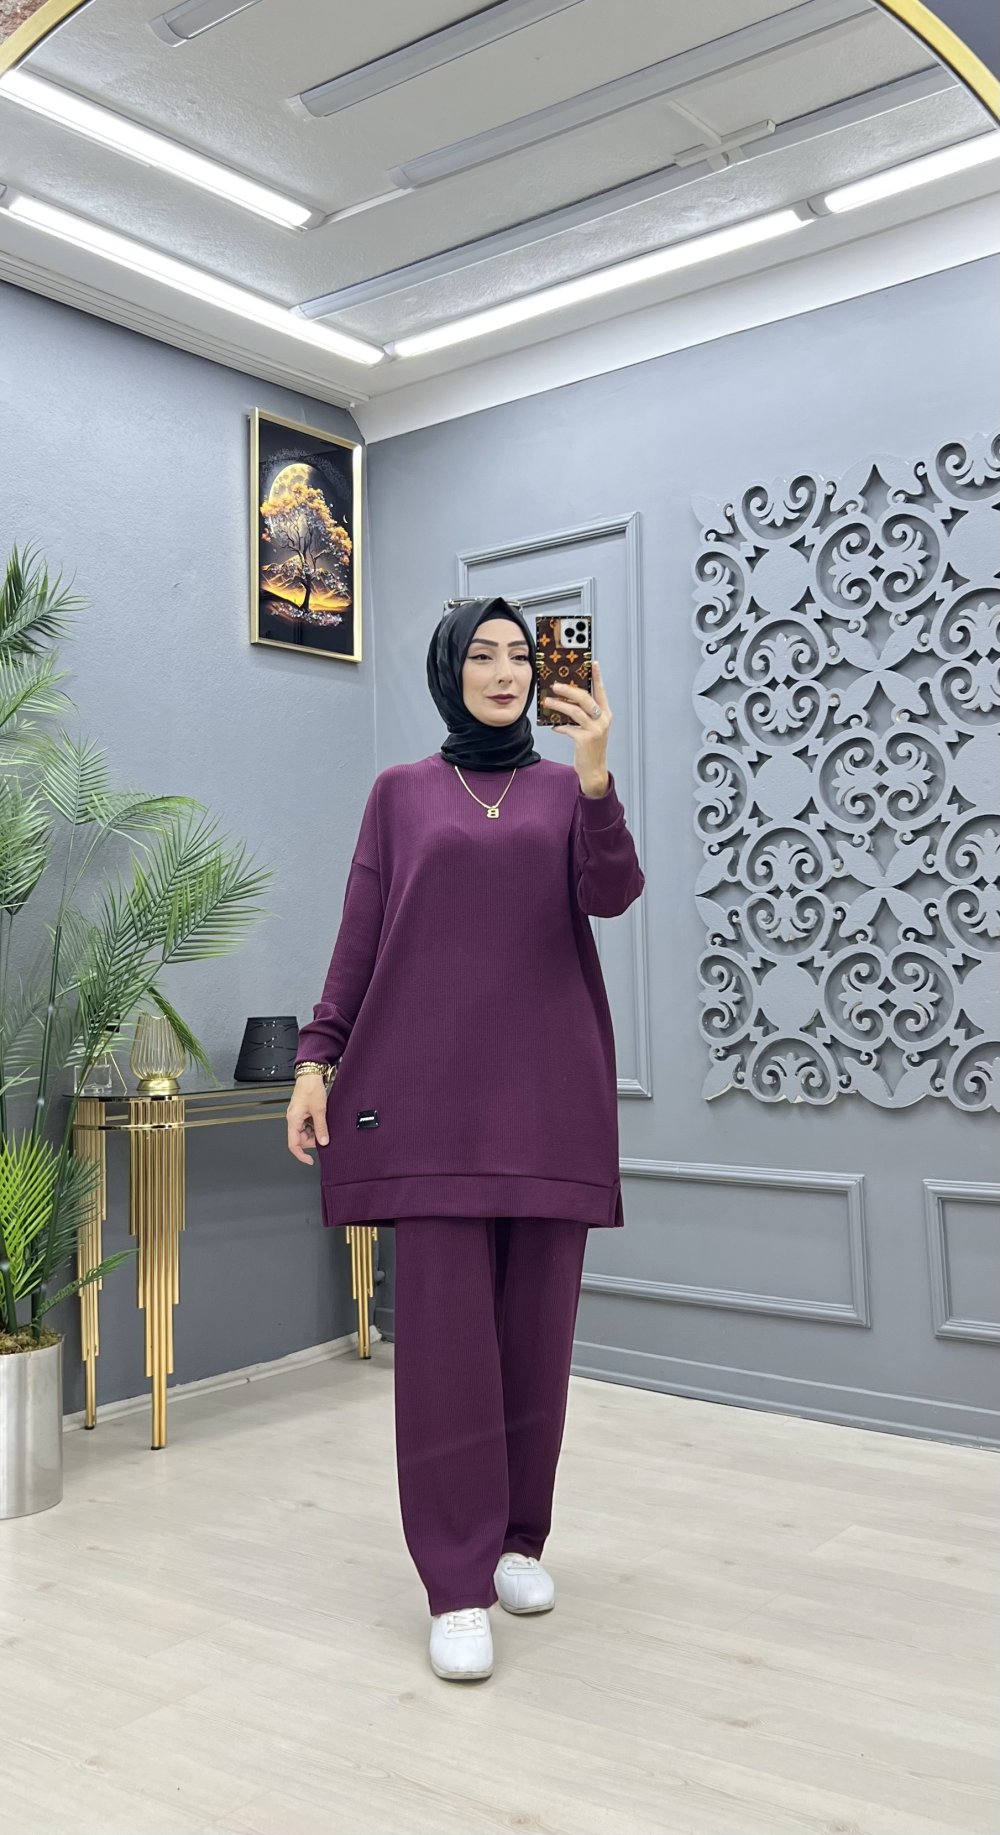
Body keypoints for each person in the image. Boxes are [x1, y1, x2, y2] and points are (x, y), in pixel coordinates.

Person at [286, 595, 645, 1681]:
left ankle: (518, 1540)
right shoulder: (400, 794)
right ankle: (454, 1579)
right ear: (449, 670)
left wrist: (595, 774)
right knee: (444, 1354)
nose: (503, 671)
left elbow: (612, 894)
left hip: (549, 1096)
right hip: (429, 1098)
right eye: (481, 654)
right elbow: (360, 933)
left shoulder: (565, 788)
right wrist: (314, 1059)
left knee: (537, 1337)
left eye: (520, 655)